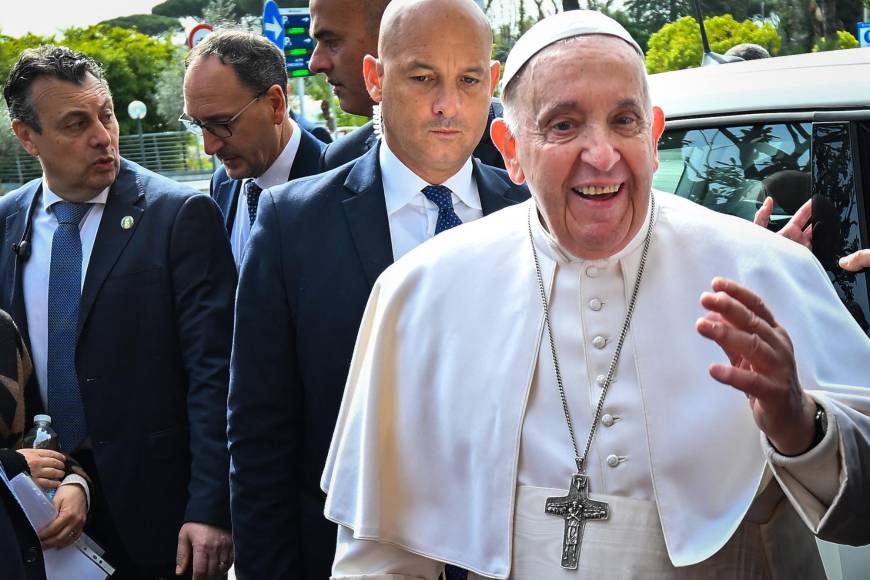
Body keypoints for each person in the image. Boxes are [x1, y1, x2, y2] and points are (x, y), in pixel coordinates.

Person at [321, 10, 870, 579]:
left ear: (653, 137)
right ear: (510, 149)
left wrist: (801, 427)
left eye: (624, 121)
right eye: (564, 126)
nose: (601, 154)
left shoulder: (765, 272)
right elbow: (379, 558)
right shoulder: (422, 293)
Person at [228, 1, 529, 578]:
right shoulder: (292, 224)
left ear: (492, 83)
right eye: (423, 78)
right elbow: (260, 433)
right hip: (346, 553)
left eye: (469, 80)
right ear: (375, 79)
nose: (447, 104)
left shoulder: (533, 213)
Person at [0, 46, 236, 579]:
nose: (103, 136)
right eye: (76, 124)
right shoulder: (6, 223)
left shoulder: (179, 216)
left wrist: (210, 508)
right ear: (27, 136)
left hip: (163, 520)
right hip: (41, 513)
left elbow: (216, 375)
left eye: (106, 114)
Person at [183, 29, 326, 268]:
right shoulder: (222, 182)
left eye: (222, 124)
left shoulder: (336, 180)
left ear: (275, 104)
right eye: (198, 124)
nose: (209, 147)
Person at [310, 0, 507, 170]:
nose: (316, 63)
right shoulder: (336, 164)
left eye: (332, 42)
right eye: (422, 78)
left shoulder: (519, 149)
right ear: (374, 76)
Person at [1, 309, 47, 580]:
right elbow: (20, 461)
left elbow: (39, 431)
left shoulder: (3, 328)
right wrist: (10, 465)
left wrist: (75, 485)